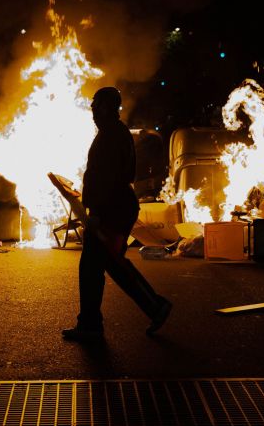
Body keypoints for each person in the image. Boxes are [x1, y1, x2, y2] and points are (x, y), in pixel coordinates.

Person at [61, 86, 172, 342]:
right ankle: (154, 307)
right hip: (116, 208)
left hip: (112, 211)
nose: (92, 111)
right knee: (111, 263)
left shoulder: (111, 135)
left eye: (95, 105)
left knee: (92, 265)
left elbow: (109, 179)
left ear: (106, 107)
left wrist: (97, 211)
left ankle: (91, 324)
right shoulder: (113, 132)